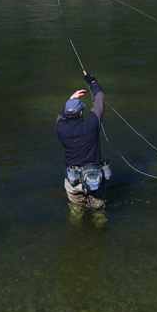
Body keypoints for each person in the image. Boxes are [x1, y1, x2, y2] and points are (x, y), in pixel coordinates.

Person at [56, 71, 106, 209]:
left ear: (67, 113)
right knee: (99, 212)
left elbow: (61, 115)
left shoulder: (60, 129)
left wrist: (70, 100)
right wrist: (92, 82)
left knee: (75, 212)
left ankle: (77, 227)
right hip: (94, 179)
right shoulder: (91, 125)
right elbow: (99, 99)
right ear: (81, 113)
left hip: (73, 182)